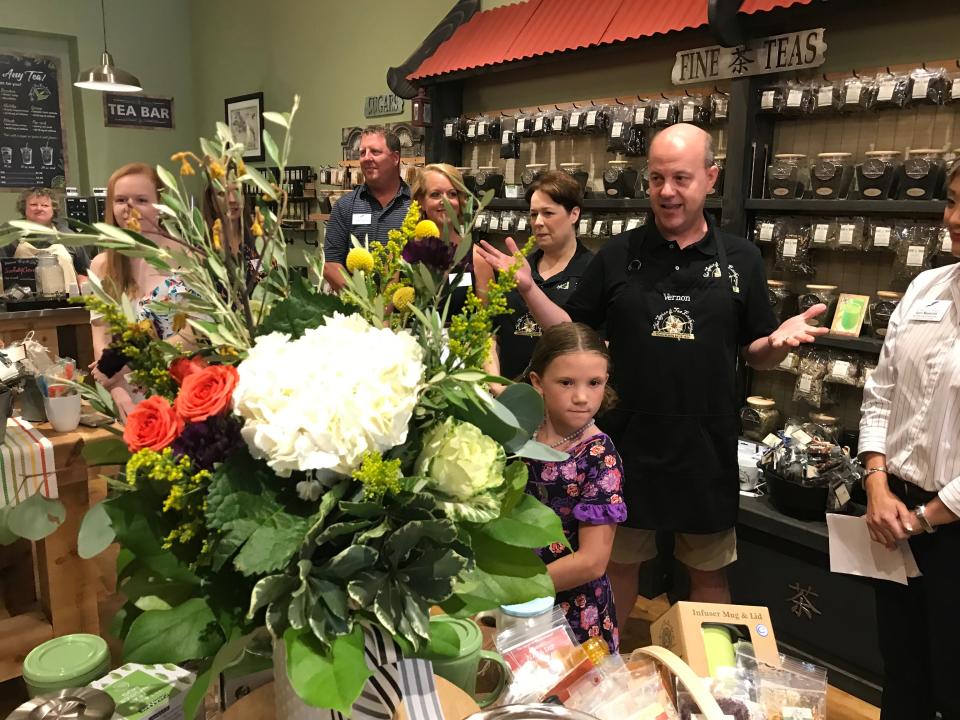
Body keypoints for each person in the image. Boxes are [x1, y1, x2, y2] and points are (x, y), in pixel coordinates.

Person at [476, 123, 827, 623]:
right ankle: (607, 675)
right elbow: (575, 333)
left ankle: (711, 689)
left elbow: (756, 354)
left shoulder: (742, 259)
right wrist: (532, 291)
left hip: (705, 442)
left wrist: (775, 344)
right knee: (617, 566)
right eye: (657, 178)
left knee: (708, 573)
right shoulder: (620, 255)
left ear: (711, 178)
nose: (667, 191)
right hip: (627, 441)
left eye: (681, 178)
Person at [859, 157, 960, 720]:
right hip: (892, 511)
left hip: (950, 526)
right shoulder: (926, 285)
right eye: (950, 200)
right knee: (901, 672)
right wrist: (876, 481)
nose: (954, 218)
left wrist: (925, 519)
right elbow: (881, 390)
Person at [524, 322, 626, 653]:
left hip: (574, 613)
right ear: (537, 382)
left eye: (594, 383)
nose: (582, 397)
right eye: (566, 382)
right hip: (518, 604)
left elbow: (592, 561)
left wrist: (514, 588)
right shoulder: (524, 432)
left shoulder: (598, 455)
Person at [89, 162, 192, 417]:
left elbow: (196, 335)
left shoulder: (187, 259)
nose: (129, 207)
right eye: (121, 199)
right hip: (125, 394)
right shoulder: (102, 265)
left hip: (181, 387)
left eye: (141, 199)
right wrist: (117, 389)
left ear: (160, 205)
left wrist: (133, 362)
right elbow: (101, 337)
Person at [476, 170, 593, 387]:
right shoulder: (516, 269)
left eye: (548, 213)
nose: (537, 222)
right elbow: (491, 336)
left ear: (574, 214)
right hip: (511, 402)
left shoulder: (593, 271)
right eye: (533, 214)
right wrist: (495, 385)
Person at [322, 126, 411, 292]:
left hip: (408, 312)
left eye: (375, 152)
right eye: (362, 153)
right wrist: (364, 302)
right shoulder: (345, 206)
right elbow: (331, 266)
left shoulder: (415, 204)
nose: (366, 158)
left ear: (395, 158)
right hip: (358, 312)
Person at [410, 163, 473, 315]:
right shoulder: (402, 254)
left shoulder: (477, 258)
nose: (445, 201)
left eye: (452, 194)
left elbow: (488, 325)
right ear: (421, 202)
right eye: (435, 194)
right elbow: (384, 316)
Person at [5, 187, 91, 278]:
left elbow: (85, 273)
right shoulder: (10, 235)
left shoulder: (69, 236)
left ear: (53, 210)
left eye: (45, 205)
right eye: (33, 204)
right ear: (24, 208)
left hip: (66, 292)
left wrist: (82, 281)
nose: (39, 208)